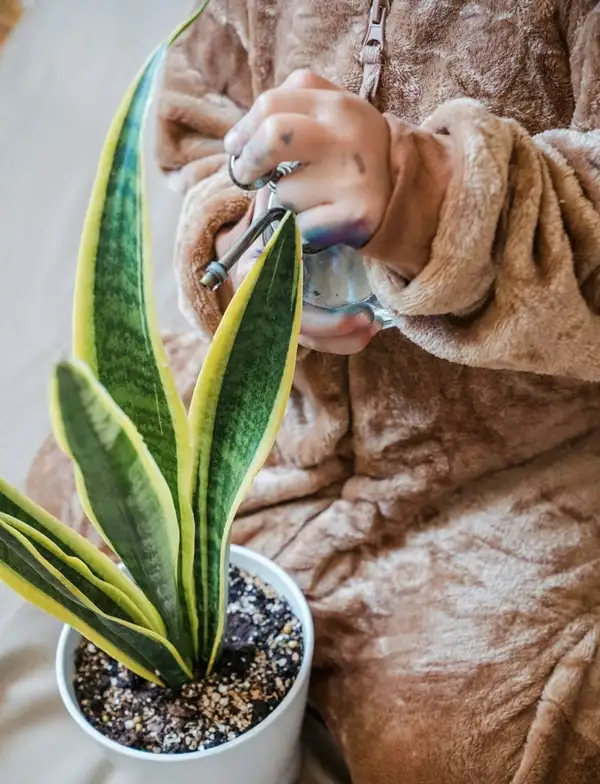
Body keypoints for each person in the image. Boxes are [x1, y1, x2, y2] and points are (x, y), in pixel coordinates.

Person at [28, 1, 600, 782]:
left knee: (449, 750)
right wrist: (234, 234)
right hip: (289, 409)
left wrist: (433, 197)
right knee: (68, 473)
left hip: (522, 462)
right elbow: (196, 101)